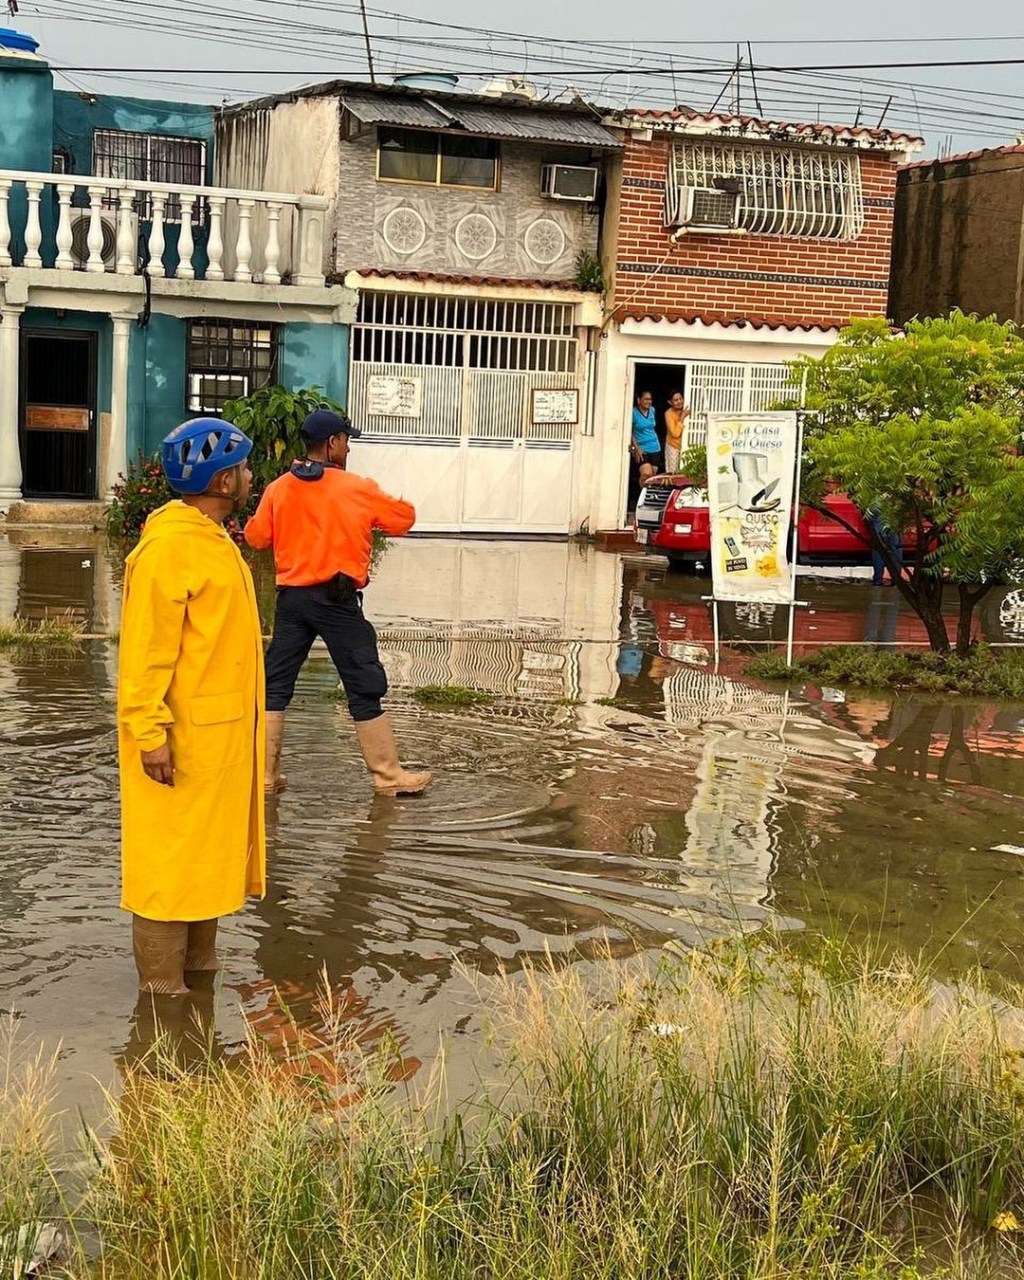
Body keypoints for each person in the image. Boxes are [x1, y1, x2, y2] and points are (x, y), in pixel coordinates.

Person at [117, 418, 265, 995]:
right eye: (244, 468)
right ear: (224, 481)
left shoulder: (210, 538)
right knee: (169, 869)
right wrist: (149, 734)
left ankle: (197, 988)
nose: (251, 477)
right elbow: (144, 655)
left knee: (204, 863)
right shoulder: (169, 548)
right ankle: (162, 1002)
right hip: (178, 744)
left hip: (216, 740)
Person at [244, 408, 431, 797]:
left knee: (275, 683)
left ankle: (266, 776)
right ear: (332, 443)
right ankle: (388, 776)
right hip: (337, 601)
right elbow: (404, 519)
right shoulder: (356, 488)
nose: (348, 447)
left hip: (291, 601)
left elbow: (256, 537)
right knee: (364, 682)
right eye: (346, 440)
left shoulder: (279, 488)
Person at [631, 390, 662, 484]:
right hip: (642, 448)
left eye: (650, 399)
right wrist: (636, 448)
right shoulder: (633, 413)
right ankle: (640, 493)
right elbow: (629, 432)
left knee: (652, 479)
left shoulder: (652, 410)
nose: (649, 401)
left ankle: (646, 494)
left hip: (655, 448)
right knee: (646, 475)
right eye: (646, 399)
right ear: (638, 400)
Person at [663, 391, 690, 474]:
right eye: (676, 400)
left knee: (686, 473)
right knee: (673, 474)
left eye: (680, 398)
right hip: (673, 446)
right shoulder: (668, 414)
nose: (679, 401)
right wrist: (682, 417)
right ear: (670, 402)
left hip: (687, 446)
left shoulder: (686, 409)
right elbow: (675, 433)